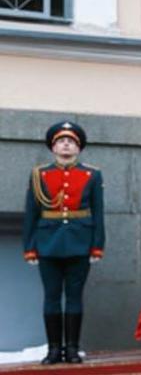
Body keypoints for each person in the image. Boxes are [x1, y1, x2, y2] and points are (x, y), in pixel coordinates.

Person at [22, 121, 105, 365]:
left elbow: (98, 212)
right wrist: (29, 247)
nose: (66, 144)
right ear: (53, 148)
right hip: (47, 243)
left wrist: (97, 245)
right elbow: (31, 213)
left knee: (74, 297)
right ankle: (53, 350)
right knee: (51, 297)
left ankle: (72, 349)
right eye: (61, 141)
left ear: (78, 148)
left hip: (81, 242)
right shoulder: (40, 174)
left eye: (71, 141)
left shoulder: (92, 174)